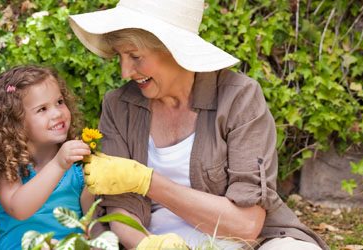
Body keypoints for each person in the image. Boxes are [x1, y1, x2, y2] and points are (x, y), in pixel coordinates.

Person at [68, 0, 329, 249]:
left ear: (174, 50)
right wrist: (148, 245)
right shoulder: (119, 105)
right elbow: (120, 209)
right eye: (120, 57)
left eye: (135, 56)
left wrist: (147, 181)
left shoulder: (239, 98)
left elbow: (247, 224)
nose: (125, 72)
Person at [0, 65, 95, 249]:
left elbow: (92, 222)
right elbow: (19, 209)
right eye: (42, 109)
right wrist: (59, 165)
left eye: (59, 102)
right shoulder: (10, 165)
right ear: (15, 122)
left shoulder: (78, 166)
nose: (57, 113)